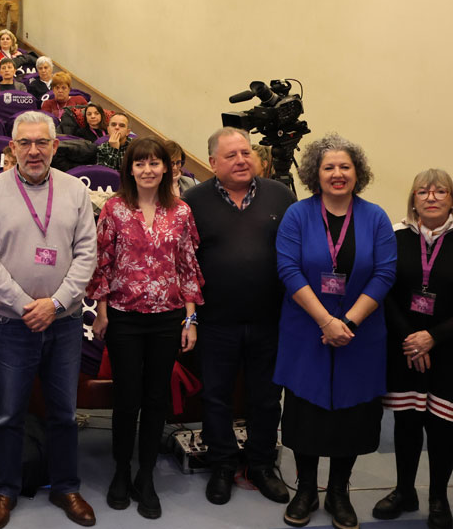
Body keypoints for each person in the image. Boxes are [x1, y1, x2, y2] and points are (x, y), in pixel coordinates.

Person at [0, 112, 98, 529]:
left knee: (63, 411)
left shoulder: (76, 191)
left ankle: (65, 485)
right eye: (24, 143)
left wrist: (56, 304)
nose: (33, 151)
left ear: (55, 146)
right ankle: (5, 489)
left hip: (64, 323)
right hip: (12, 324)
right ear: (12, 148)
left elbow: (86, 256)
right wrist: (28, 304)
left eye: (41, 142)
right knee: (8, 413)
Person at [274, 133, 396, 529]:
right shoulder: (298, 214)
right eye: (329, 167)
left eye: (345, 166)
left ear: (357, 172)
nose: (338, 174)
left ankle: (339, 492)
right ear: (315, 173)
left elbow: (384, 273)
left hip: (359, 336)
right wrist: (326, 321)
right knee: (306, 413)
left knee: (352, 417)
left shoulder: (375, 217)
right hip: (307, 330)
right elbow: (288, 269)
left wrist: (349, 322)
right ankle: (306, 489)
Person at [87, 137, 204, 520]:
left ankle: (147, 474)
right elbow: (101, 264)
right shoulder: (114, 209)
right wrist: (102, 312)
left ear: (168, 169)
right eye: (141, 163)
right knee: (127, 398)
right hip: (123, 316)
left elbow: (188, 268)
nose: (149, 170)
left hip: (168, 318)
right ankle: (121, 470)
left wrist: (190, 320)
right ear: (130, 169)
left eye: (156, 163)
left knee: (156, 400)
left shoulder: (182, 212)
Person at [182, 127, 295, 507]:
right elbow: (185, 262)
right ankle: (222, 465)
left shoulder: (281, 194)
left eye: (245, 152)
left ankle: (262, 465)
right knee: (216, 397)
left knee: (266, 398)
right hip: (216, 321)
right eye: (230, 155)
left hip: (270, 320)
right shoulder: (193, 201)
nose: (241, 160)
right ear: (212, 162)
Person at [375, 169, 453, 528]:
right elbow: (385, 292)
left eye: (440, 191)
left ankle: (439, 496)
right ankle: (405, 490)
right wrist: (410, 338)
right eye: (424, 191)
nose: (432, 197)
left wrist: (433, 337)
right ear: (414, 198)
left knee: (442, 426)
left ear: (451, 199)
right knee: (406, 423)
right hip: (403, 347)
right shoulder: (395, 236)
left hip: (448, 350)